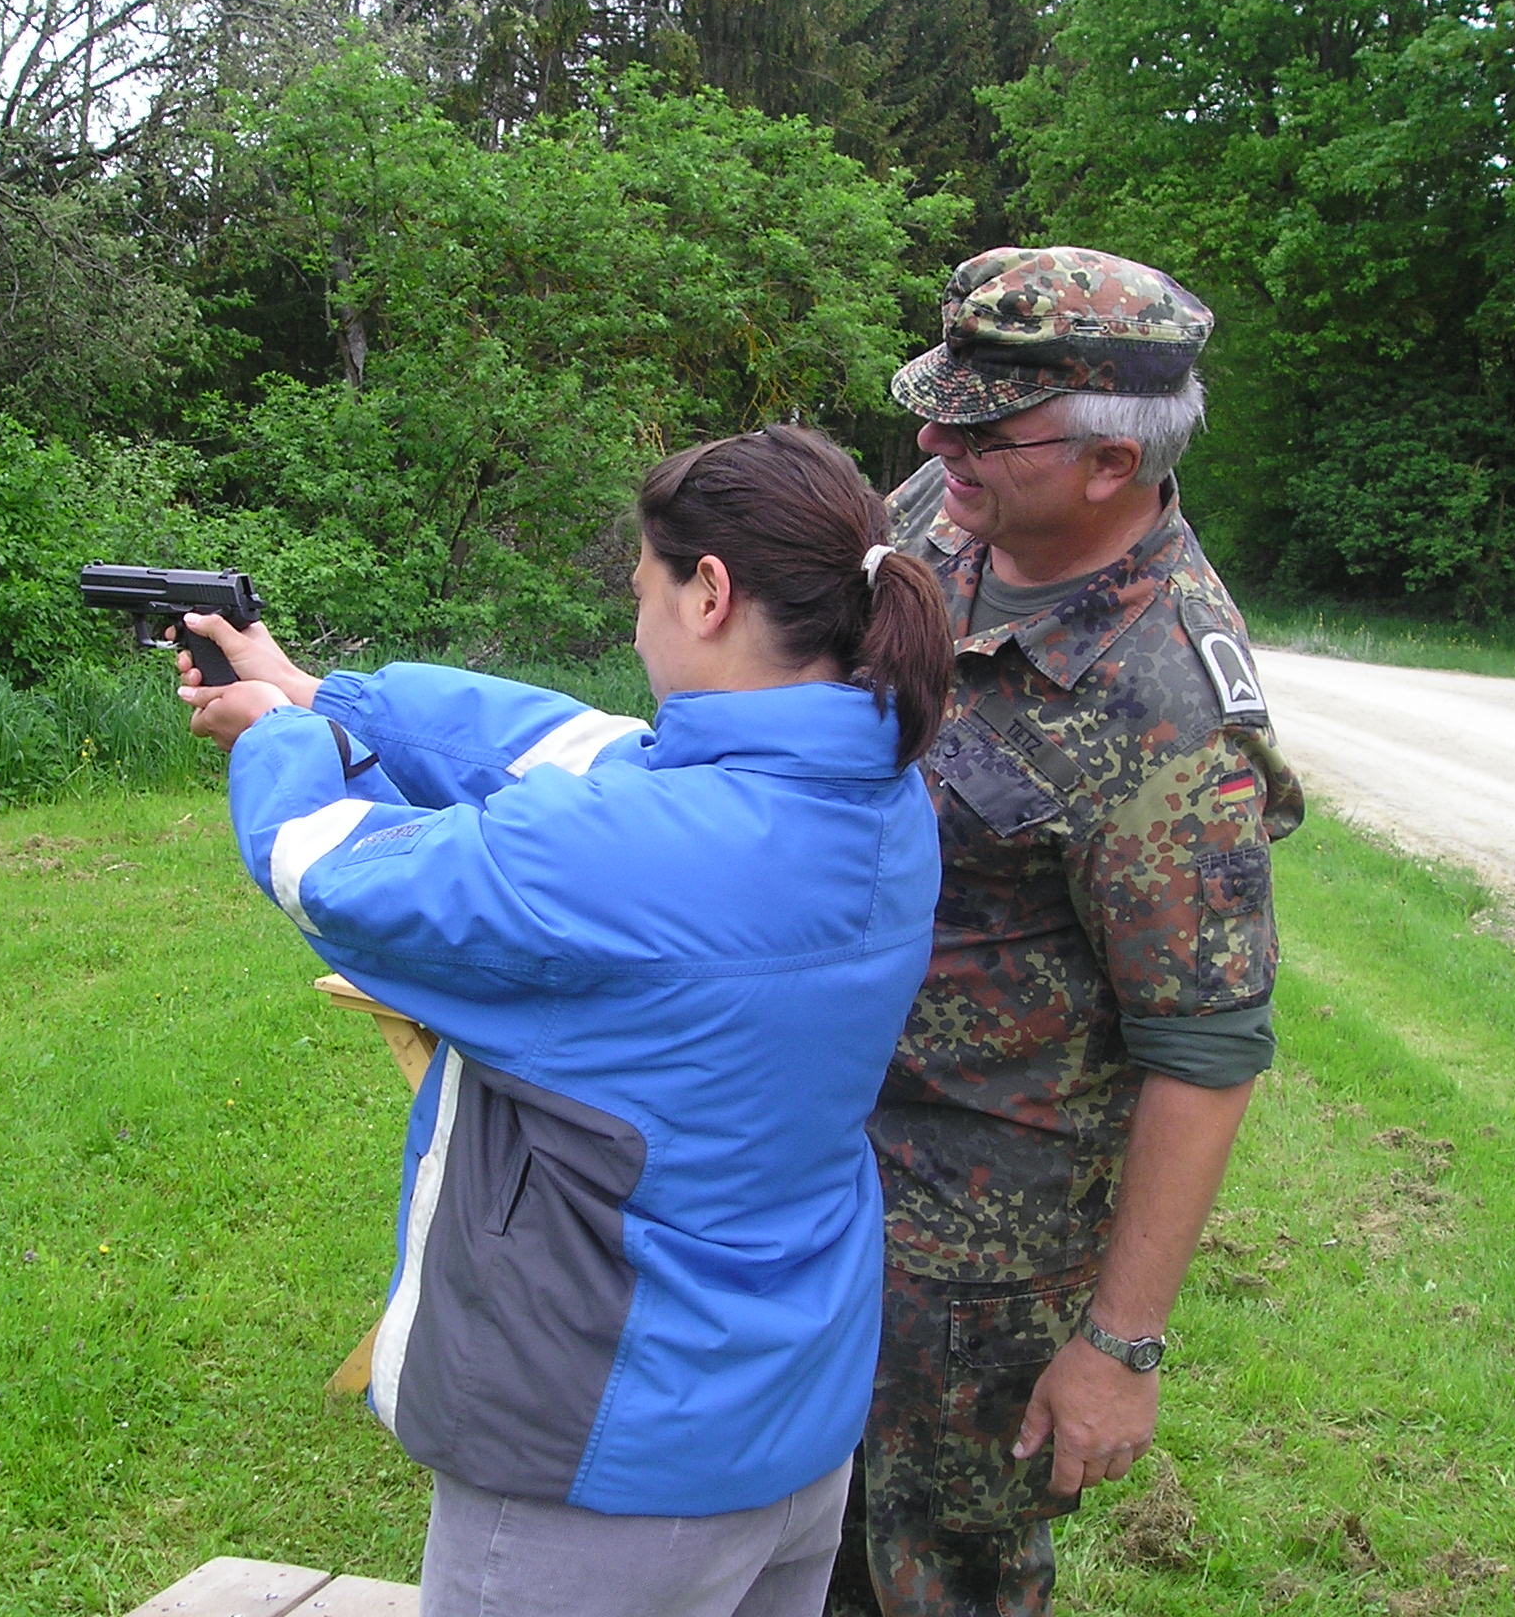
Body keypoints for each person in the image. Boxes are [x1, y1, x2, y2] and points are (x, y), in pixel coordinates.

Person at [176, 426, 956, 1617]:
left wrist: (282, 737)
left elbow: (322, 863)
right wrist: (325, 694)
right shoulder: (875, 794)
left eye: (640, 587)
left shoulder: (630, 854)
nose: (632, 622)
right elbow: (560, 746)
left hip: (605, 1461)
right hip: (789, 1421)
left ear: (708, 592)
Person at [827, 248, 1305, 1617]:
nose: (935, 448)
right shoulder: (945, 515)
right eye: (939, 413)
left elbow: (1203, 1047)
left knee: (931, 1578)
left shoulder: (1170, 713)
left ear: (1111, 463)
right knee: (782, 1543)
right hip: (821, 1154)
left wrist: (1119, 1344)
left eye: (982, 430)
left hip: (972, 1256)